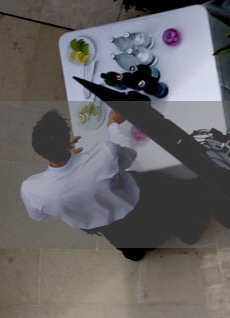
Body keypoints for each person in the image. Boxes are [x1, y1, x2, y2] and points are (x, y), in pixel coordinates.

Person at [27, 109, 208, 260]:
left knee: (132, 248)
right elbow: (128, 155)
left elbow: (40, 217)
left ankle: (141, 250)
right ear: (67, 139)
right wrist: (113, 123)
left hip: (108, 229)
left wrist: (66, 155)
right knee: (178, 194)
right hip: (138, 203)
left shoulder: (31, 190)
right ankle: (189, 230)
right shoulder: (104, 153)